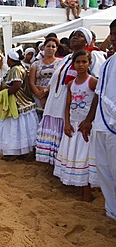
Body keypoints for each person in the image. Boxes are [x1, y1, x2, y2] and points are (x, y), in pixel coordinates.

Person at [36, 27, 104, 165]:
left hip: (78, 106)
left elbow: (96, 84)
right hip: (56, 102)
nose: (74, 37)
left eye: (80, 36)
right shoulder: (67, 58)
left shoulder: (94, 56)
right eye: (73, 35)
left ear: (87, 42)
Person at [78, 19, 116, 221]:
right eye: (112, 34)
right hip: (102, 124)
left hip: (114, 126)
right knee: (104, 169)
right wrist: (89, 120)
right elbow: (99, 94)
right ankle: (112, 211)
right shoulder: (109, 62)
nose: (113, 38)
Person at [54, 50, 98, 202]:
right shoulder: (71, 84)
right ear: (73, 64)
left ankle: (87, 193)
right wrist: (66, 123)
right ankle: (79, 191)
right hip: (73, 125)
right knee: (74, 157)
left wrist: (89, 121)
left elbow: (96, 101)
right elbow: (67, 105)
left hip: (85, 127)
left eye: (84, 62)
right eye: (78, 62)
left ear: (89, 63)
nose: (80, 65)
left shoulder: (93, 82)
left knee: (84, 158)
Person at [0, 46, 39, 161]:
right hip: (22, 103)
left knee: (13, 129)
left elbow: (16, 85)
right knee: (22, 130)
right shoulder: (19, 67)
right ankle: (22, 152)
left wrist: (5, 93)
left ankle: (14, 152)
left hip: (18, 103)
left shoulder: (15, 69)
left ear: (9, 59)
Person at [29, 38, 62, 110]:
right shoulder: (36, 64)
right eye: (48, 46)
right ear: (43, 47)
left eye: (53, 46)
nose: (50, 48)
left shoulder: (61, 63)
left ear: (56, 48)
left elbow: (60, 79)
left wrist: (46, 92)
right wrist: (40, 96)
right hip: (38, 96)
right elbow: (31, 83)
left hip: (54, 95)